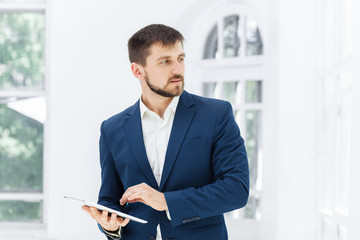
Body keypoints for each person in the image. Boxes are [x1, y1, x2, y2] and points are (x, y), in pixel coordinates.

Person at [82, 24, 249, 240]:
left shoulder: (216, 114)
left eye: (180, 58)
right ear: (137, 70)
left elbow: (236, 190)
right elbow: (110, 198)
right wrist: (110, 226)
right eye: (165, 61)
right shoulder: (112, 129)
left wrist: (166, 202)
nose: (177, 69)